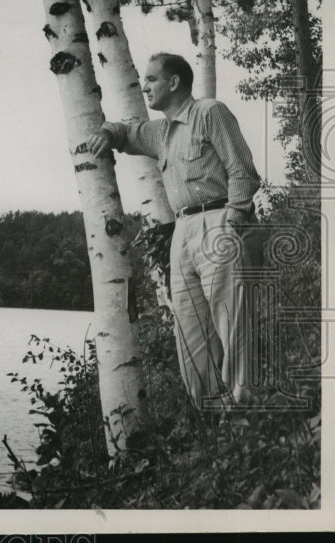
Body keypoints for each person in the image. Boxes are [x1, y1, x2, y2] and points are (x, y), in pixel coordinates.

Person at [86, 53, 261, 411]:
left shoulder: (210, 113)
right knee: (190, 332)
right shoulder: (160, 132)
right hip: (182, 231)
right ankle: (217, 418)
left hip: (219, 220)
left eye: (151, 79)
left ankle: (247, 415)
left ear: (174, 82)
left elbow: (242, 171)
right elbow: (125, 132)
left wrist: (233, 222)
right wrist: (105, 133)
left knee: (233, 324)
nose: (145, 86)